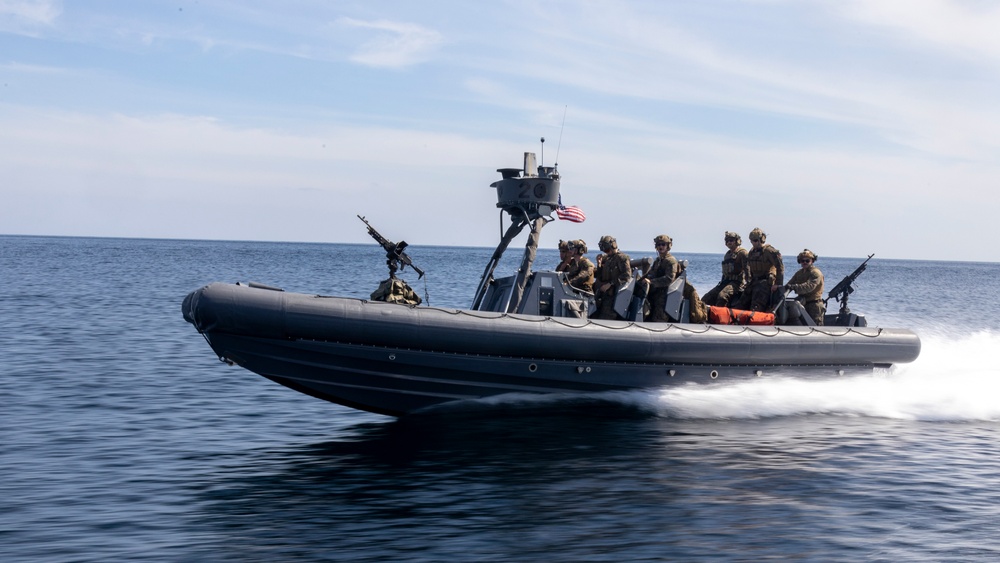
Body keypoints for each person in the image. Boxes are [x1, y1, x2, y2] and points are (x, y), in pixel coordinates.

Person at [738, 227, 784, 312]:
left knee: (756, 306)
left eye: (756, 240)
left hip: (765, 282)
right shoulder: (752, 252)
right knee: (741, 303)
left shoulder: (769, 251)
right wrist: (748, 281)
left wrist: (778, 284)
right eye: (752, 241)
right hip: (754, 281)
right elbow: (750, 268)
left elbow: (780, 267)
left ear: (762, 239)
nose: (755, 243)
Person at [637, 235, 680, 322]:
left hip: (664, 298)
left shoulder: (671, 261)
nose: (660, 247)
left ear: (668, 246)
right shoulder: (658, 261)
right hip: (654, 296)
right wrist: (638, 282)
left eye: (663, 244)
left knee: (658, 320)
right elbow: (650, 274)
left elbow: (669, 279)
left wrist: (651, 282)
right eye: (658, 245)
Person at [702, 231, 748, 307]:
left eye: (731, 240)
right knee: (706, 298)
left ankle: (721, 316)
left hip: (737, 283)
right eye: (727, 241)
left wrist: (748, 284)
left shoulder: (742, 253)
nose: (729, 242)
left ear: (737, 241)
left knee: (722, 296)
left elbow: (747, 270)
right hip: (725, 282)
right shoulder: (727, 254)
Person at [781, 249, 825, 325]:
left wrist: (794, 287)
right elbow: (788, 286)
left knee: (815, 327)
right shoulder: (799, 273)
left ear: (812, 261)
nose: (804, 262)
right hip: (802, 304)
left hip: (814, 305)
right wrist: (779, 290)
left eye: (807, 261)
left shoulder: (816, 273)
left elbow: (809, 286)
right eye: (802, 261)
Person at [592, 235, 631, 319]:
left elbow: (627, 275)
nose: (606, 252)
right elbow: (601, 276)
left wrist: (610, 284)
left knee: (606, 318)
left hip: (613, 296)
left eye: (607, 250)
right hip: (603, 295)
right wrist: (599, 265)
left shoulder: (622, 258)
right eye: (604, 250)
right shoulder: (607, 259)